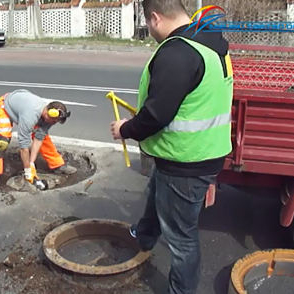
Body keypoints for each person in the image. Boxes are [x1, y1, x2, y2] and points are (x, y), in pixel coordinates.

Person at [109, 0, 233, 293]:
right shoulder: (210, 44)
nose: (150, 31)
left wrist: (125, 129)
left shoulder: (178, 53)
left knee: (181, 238)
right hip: (199, 152)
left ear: (155, 17)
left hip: (186, 160)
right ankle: (144, 235)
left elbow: (157, 115)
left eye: (148, 24)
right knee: (157, 189)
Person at [0, 89, 78, 190]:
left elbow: (38, 139)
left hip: (23, 106)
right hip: (6, 106)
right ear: (49, 113)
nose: (54, 123)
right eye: (54, 121)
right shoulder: (29, 117)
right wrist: (27, 170)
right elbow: (24, 147)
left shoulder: (49, 119)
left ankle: (57, 164)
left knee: (44, 138)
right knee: (2, 142)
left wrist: (31, 164)